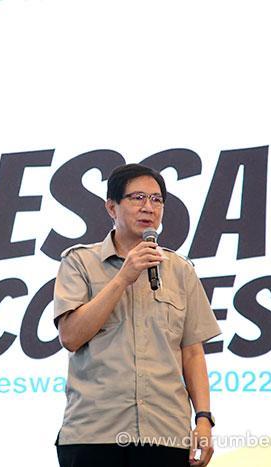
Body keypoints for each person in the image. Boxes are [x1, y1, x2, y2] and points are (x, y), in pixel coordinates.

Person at [53, 163, 221, 467]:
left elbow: (193, 353)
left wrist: (204, 419)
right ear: (111, 207)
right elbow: (71, 336)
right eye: (138, 198)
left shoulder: (180, 270)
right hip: (95, 434)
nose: (148, 207)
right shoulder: (79, 263)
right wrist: (123, 277)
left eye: (157, 200)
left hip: (165, 433)